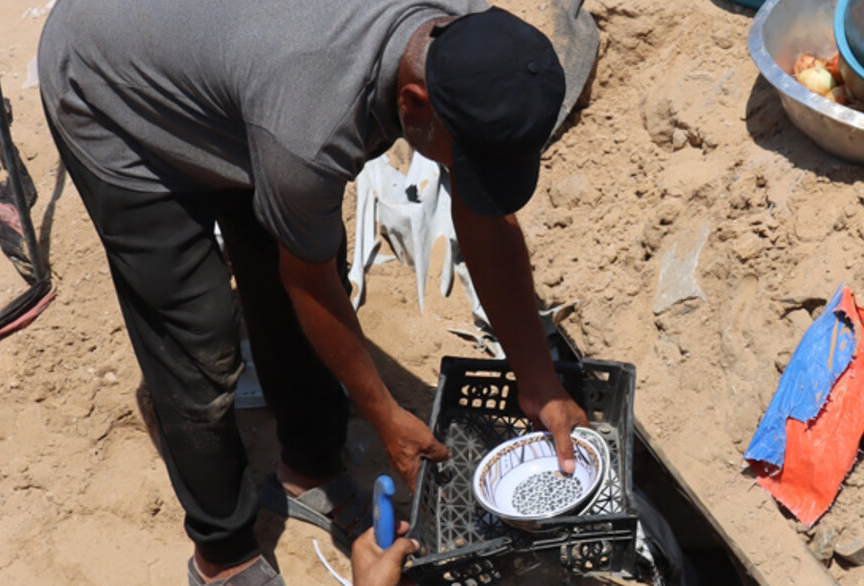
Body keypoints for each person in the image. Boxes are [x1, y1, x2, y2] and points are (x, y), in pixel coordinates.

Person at [36, 1, 589, 584]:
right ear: (413, 104)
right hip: (110, 89)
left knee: (285, 242)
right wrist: (383, 413)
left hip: (240, 74)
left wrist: (538, 380)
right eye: (467, 162)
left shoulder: (468, 36)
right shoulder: (308, 131)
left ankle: (307, 469)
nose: (469, 179)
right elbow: (312, 286)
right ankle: (222, 556)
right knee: (194, 336)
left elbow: (485, 219)